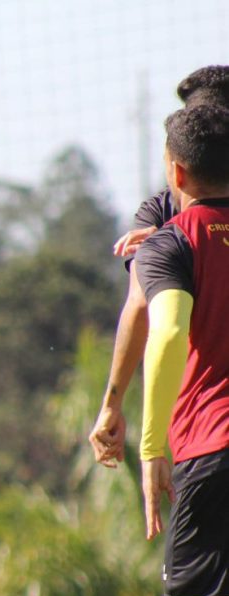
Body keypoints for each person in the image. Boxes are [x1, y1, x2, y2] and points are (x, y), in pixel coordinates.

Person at [133, 104, 229, 596]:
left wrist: (150, 444)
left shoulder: (173, 241)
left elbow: (165, 337)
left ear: (175, 171)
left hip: (211, 447)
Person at [89, 66, 229, 466]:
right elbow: (140, 303)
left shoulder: (165, 231)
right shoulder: (160, 213)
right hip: (201, 424)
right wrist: (113, 402)